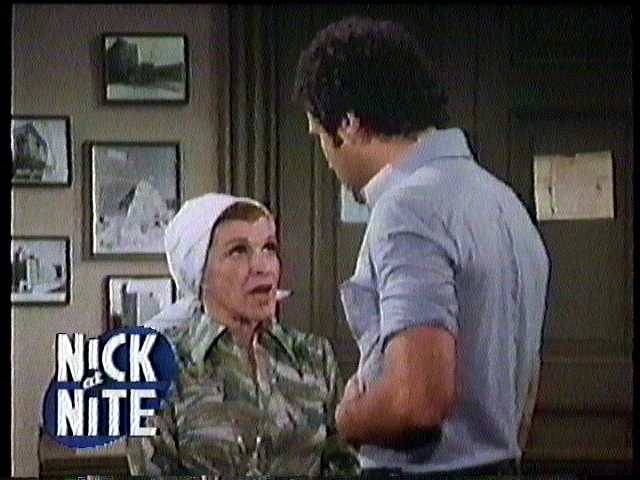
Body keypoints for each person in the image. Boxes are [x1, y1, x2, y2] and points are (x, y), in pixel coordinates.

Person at [292, 16, 550, 477]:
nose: (327, 160)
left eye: (320, 137)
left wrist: (348, 419)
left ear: (348, 125)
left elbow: (416, 403)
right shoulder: (503, 201)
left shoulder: (408, 208)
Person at [126, 192, 360, 477]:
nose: (263, 266)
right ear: (200, 270)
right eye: (238, 251)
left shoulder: (313, 355)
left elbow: (344, 463)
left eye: (269, 248)